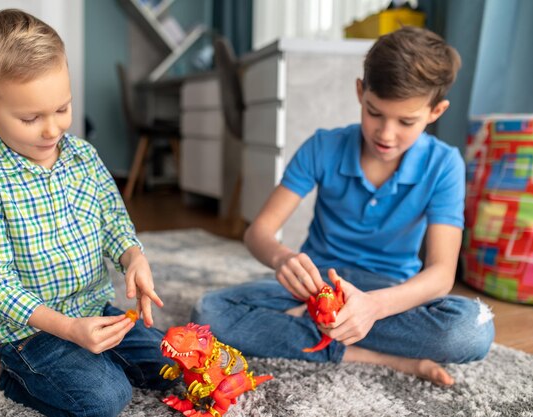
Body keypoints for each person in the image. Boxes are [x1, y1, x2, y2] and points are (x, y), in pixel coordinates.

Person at [192, 26, 495, 386]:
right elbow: (258, 232)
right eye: (374, 112)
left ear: (435, 111)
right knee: (209, 312)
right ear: (359, 92)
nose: (386, 133)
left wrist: (374, 307)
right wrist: (281, 258)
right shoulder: (322, 147)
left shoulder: (445, 165)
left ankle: (315, 328)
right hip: (316, 284)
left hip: (388, 292)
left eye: (406, 121)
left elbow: (441, 274)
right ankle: (377, 355)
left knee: (471, 330)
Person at [0, 9, 174, 416]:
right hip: (27, 332)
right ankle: (11, 373)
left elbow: (113, 221)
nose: (53, 130)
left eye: (62, 108)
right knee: (107, 398)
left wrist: (134, 256)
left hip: (92, 310)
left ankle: (86, 362)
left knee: (174, 365)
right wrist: (69, 330)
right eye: (30, 118)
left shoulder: (84, 156)